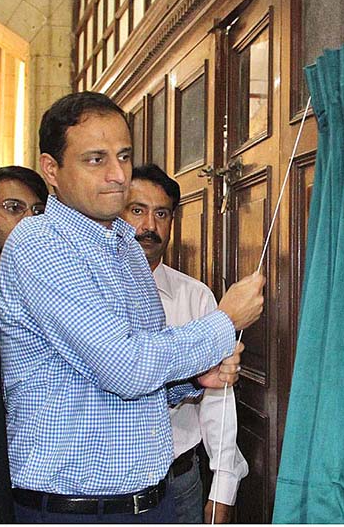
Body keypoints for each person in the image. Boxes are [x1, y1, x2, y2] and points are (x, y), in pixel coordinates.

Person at [0, 91, 265, 523]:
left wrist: (194, 378)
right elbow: (126, 366)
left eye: (123, 156)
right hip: (76, 511)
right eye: (95, 160)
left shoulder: (124, 247)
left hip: (150, 501)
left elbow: (136, 384)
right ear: (52, 170)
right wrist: (225, 321)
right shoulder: (39, 245)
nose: (118, 175)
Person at [122, 164, 248, 523]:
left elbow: (218, 399)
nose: (149, 225)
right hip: (113, 489)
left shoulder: (196, 297)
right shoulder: (97, 294)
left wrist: (223, 486)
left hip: (180, 482)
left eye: (161, 213)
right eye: (137, 210)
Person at [0, 166, 49, 523]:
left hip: (41, 475)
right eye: (14, 208)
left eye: (36, 211)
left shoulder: (54, 293)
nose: (29, 221)